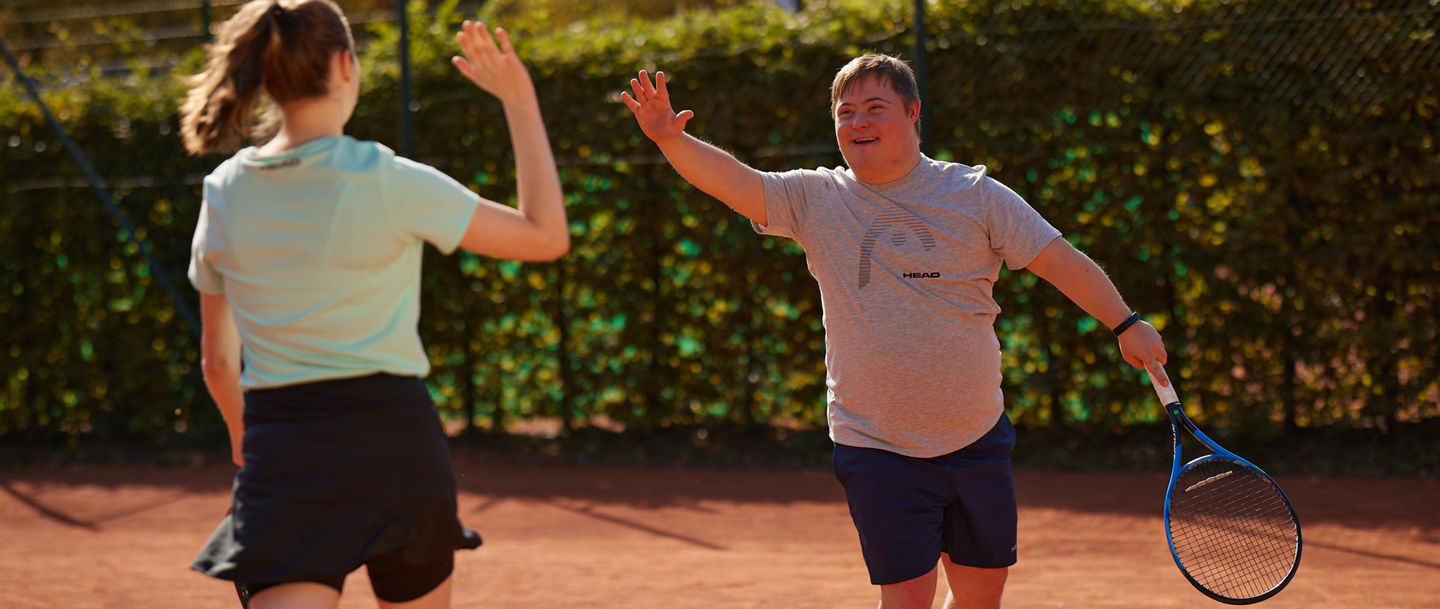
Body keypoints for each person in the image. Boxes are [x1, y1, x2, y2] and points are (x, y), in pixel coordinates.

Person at [622, 55, 1169, 609]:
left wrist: (1126, 324)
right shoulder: (816, 198)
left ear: (912, 113)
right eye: (846, 112)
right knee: (906, 597)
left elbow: (1060, 259)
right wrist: (671, 141)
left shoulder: (976, 194)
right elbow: (738, 183)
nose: (858, 122)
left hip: (976, 439)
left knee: (981, 598)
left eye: (875, 108)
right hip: (874, 444)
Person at [179, 1, 567, 607]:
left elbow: (218, 365)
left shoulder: (224, 191)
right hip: (396, 443)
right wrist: (520, 100)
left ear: (268, 77)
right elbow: (545, 236)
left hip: (285, 449)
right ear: (345, 65)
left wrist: (246, 439)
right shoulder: (387, 177)